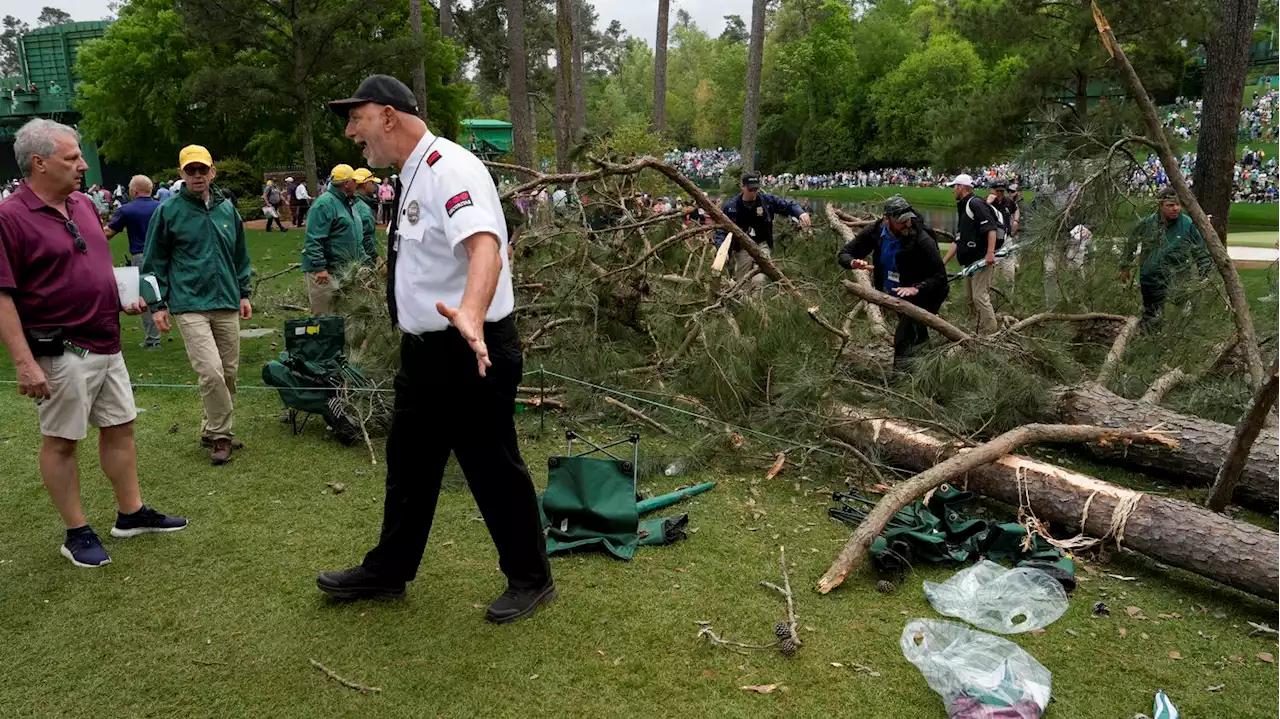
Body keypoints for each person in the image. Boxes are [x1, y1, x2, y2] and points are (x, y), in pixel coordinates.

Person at [319, 74, 554, 623]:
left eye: (357, 117)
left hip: (469, 349)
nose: (353, 132)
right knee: (409, 465)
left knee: (492, 467)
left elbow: (485, 247)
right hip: (425, 352)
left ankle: (531, 578)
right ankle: (389, 570)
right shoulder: (413, 173)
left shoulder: (449, 167)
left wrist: (470, 312)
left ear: (389, 116)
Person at [0, 118, 187, 568]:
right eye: (72, 158)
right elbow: (3, 295)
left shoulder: (82, 203)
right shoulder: (10, 218)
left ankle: (131, 513)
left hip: (107, 340)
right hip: (61, 351)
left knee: (120, 426)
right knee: (62, 440)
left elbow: (91, 264)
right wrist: (24, 362)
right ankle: (76, 531)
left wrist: (122, 299)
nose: (84, 165)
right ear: (39, 163)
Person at [142, 145, 253, 466]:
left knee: (229, 372)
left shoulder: (227, 209)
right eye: (190, 170)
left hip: (227, 300)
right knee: (210, 372)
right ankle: (221, 436)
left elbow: (240, 256)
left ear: (212, 172)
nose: (197, 175)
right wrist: (157, 304)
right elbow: (152, 261)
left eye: (202, 169)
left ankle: (210, 427)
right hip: (189, 303)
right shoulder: (168, 211)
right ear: (181, 174)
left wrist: (244, 293)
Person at [837, 195, 949, 368]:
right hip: (897, 292)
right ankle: (929, 369)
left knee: (903, 338)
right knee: (917, 334)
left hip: (927, 293)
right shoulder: (875, 231)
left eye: (908, 219)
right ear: (886, 219)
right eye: (901, 221)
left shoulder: (922, 238)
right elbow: (845, 254)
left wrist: (916, 289)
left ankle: (899, 381)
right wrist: (853, 262)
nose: (907, 224)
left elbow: (940, 277)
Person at [1120, 188, 1213, 330]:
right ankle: (1150, 344)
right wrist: (1125, 266)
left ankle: (1176, 341)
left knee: (1179, 317)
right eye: (1170, 205)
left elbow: (1200, 250)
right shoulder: (1147, 223)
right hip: (1151, 277)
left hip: (1178, 278)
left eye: (1177, 205)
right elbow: (1131, 243)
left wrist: (1205, 274)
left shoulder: (1187, 224)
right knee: (1151, 318)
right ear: (1160, 205)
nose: (1175, 208)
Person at [713, 171, 811, 285]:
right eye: (750, 190)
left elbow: (788, 206)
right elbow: (721, 229)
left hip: (761, 244)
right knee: (743, 282)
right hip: (742, 248)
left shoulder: (767, 201)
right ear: (742, 187)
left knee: (759, 280)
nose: (753, 193)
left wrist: (801, 213)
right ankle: (744, 300)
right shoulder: (731, 206)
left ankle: (756, 298)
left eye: (756, 189)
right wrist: (722, 250)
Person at [302, 164, 372, 315]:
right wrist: (320, 268)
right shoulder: (324, 204)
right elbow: (314, 239)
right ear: (347, 184)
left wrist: (366, 263)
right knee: (325, 318)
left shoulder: (348, 203)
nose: (357, 184)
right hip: (326, 274)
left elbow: (356, 239)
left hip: (345, 271)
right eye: (354, 181)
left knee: (343, 317)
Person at [104, 175, 163, 348]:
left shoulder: (128, 209)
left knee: (144, 296)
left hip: (141, 256)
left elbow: (109, 232)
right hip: (162, 255)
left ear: (133, 191)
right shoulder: (161, 207)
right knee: (162, 293)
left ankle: (152, 339)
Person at [942, 173, 1002, 334]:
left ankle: (992, 334)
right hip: (969, 262)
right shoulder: (964, 207)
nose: (953, 190)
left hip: (981, 259)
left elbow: (991, 229)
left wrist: (990, 253)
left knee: (979, 297)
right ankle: (971, 331)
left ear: (961, 187)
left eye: (954, 187)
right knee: (969, 298)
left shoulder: (975, 204)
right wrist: (944, 262)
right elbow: (958, 239)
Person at [986, 181, 1020, 288]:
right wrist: (988, 203)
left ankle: (1009, 298)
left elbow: (1016, 209)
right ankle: (993, 297)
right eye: (997, 191)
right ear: (992, 190)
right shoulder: (985, 202)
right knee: (993, 272)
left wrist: (1016, 221)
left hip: (1006, 238)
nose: (999, 193)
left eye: (1002, 191)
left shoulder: (1008, 202)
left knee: (1009, 270)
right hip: (992, 240)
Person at [352, 167, 383, 265]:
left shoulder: (349, 202)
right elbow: (366, 237)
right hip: (363, 260)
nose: (374, 185)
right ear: (365, 184)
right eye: (372, 183)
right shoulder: (363, 208)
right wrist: (375, 257)